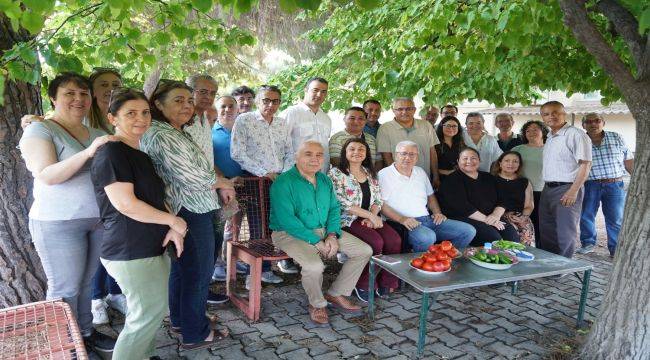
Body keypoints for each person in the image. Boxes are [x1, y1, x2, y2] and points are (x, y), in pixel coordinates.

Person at [18, 72, 116, 352]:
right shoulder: (40, 130)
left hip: (96, 220)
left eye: (84, 93)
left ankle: (84, 333)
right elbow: (47, 174)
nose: (78, 99)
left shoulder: (97, 133)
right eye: (69, 93)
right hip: (57, 222)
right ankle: (63, 346)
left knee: (86, 284)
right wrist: (87, 153)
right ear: (53, 98)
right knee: (65, 289)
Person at [90, 88, 186, 359]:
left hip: (149, 245)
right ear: (113, 119)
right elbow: (125, 204)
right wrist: (174, 220)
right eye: (130, 113)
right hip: (129, 249)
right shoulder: (112, 153)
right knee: (145, 315)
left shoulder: (140, 154)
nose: (140, 119)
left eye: (144, 112)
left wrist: (171, 227)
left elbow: (154, 199)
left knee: (147, 312)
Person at [140, 80, 226, 350]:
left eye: (189, 100)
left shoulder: (174, 130)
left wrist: (217, 182)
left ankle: (182, 320)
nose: (187, 106)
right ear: (158, 104)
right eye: (178, 100)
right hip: (189, 209)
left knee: (184, 270)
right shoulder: (161, 134)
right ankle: (195, 332)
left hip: (194, 207)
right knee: (197, 275)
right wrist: (224, 182)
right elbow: (195, 177)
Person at [270, 141, 372, 326]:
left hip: (324, 230)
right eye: (308, 154)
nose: (314, 159)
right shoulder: (283, 182)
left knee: (364, 251)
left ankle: (336, 293)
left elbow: (334, 208)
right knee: (314, 266)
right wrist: (317, 241)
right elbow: (288, 221)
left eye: (319, 155)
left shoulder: (324, 179)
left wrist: (332, 235)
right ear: (296, 157)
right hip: (288, 233)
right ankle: (317, 304)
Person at [231, 85, 295, 285]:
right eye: (266, 100)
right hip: (255, 179)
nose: (270, 105)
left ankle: (268, 269)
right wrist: (263, 173)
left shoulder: (282, 124)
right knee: (257, 226)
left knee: (276, 222)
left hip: (280, 181)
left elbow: (289, 151)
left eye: (275, 101)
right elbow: (237, 152)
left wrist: (283, 174)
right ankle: (254, 273)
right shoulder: (244, 120)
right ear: (257, 101)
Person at [328, 138, 401, 302]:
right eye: (352, 149)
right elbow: (340, 201)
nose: (356, 152)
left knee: (394, 240)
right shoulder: (336, 173)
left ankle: (387, 280)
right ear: (345, 153)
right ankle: (363, 284)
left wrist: (372, 216)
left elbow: (377, 199)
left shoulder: (369, 172)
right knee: (375, 242)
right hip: (348, 220)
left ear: (366, 153)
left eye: (361, 149)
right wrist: (369, 216)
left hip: (370, 217)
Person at [185, 74, 234, 305]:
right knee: (197, 253)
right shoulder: (182, 121)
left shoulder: (205, 119)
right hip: (191, 198)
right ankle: (193, 300)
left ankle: (203, 291)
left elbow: (207, 157)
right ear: (190, 91)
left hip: (211, 194)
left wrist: (222, 179)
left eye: (212, 92)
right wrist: (220, 181)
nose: (208, 96)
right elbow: (189, 166)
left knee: (214, 243)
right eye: (202, 91)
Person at [379, 141, 475, 251]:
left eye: (412, 154)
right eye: (403, 153)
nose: (407, 158)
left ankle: (445, 259)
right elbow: (380, 204)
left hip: (427, 219)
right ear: (396, 155)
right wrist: (402, 219)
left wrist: (437, 212)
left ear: (417, 157)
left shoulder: (420, 172)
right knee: (427, 237)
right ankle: (420, 265)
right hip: (403, 223)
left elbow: (430, 196)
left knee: (468, 231)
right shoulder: (384, 174)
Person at [280, 76, 332, 274]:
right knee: (292, 215)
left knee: (310, 214)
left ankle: (309, 255)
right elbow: (283, 143)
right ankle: (286, 258)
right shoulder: (292, 113)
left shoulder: (326, 118)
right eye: (315, 90)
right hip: (295, 175)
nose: (319, 95)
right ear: (306, 89)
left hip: (318, 174)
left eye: (324, 91)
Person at [538, 101, 592, 258]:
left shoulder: (575, 134)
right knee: (547, 230)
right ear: (542, 117)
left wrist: (573, 191)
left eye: (555, 112)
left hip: (567, 188)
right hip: (548, 189)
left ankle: (563, 265)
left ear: (564, 113)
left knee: (564, 231)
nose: (551, 116)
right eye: (546, 114)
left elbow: (585, 164)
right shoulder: (550, 137)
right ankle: (551, 264)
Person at [577, 113, 633, 257]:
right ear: (583, 125)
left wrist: (636, 178)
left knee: (615, 218)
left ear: (603, 123)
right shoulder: (580, 141)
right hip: (590, 184)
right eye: (588, 121)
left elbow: (628, 160)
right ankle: (588, 243)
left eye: (597, 121)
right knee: (586, 215)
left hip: (614, 184)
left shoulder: (616, 137)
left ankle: (615, 249)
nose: (593, 124)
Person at [438, 148, 520, 245]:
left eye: (473, 158)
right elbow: (462, 207)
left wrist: (495, 216)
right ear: (458, 161)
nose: (469, 161)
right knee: (493, 239)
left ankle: (511, 259)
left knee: (512, 236)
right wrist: (489, 220)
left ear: (479, 161)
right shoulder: (451, 180)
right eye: (465, 158)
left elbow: (503, 199)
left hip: (491, 216)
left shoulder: (488, 177)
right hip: (465, 218)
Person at [210, 96, 248, 281]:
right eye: (223, 106)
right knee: (219, 226)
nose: (227, 109)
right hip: (219, 188)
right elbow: (208, 161)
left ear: (237, 108)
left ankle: (231, 260)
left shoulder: (243, 130)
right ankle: (217, 264)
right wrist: (225, 180)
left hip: (242, 186)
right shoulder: (210, 130)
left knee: (234, 228)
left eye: (230, 106)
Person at [376, 97, 440, 186]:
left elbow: (432, 152)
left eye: (408, 109)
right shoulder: (385, 128)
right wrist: (396, 177)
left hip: (424, 179)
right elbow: (387, 157)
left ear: (414, 110)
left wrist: (436, 176)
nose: (404, 112)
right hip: (398, 181)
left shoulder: (426, 125)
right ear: (393, 110)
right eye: (400, 109)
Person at [512, 120, 548, 244]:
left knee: (541, 223)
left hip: (544, 191)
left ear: (543, 131)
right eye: (528, 130)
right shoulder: (518, 149)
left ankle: (540, 248)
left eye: (535, 129)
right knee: (524, 222)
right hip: (522, 192)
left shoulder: (550, 148)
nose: (531, 132)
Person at [491, 152, 536, 246]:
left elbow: (529, 206)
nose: (511, 164)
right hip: (497, 217)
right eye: (507, 161)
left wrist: (523, 217)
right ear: (500, 163)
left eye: (515, 161)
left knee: (525, 233)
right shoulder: (490, 179)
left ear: (519, 165)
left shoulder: (524, 182)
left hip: (520, 217)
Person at [434, 116, 466, 182]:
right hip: (440, 180)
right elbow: (430, 165)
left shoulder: (461, 144)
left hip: (459, 179)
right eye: (448, 125)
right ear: (441, 126)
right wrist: (449, 172)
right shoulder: (434, 144)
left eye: (454, 126)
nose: (451, 128)